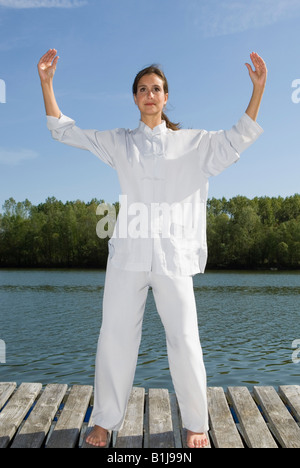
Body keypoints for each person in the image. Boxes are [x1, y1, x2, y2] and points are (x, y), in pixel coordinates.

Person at [37, 49, 267, 448]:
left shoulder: (192, 143)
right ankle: (105, 421)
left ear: (165, 97)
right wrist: (47, 83)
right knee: (115, 337)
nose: (149, 94)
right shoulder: (121, 143)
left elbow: (237, 138)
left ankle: (196, 423)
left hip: (173, 258)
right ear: (135, 98)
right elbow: (64, 130)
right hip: (127, 256)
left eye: (156, 89)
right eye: (142, 89)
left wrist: (258, 90)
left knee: (184, 338)